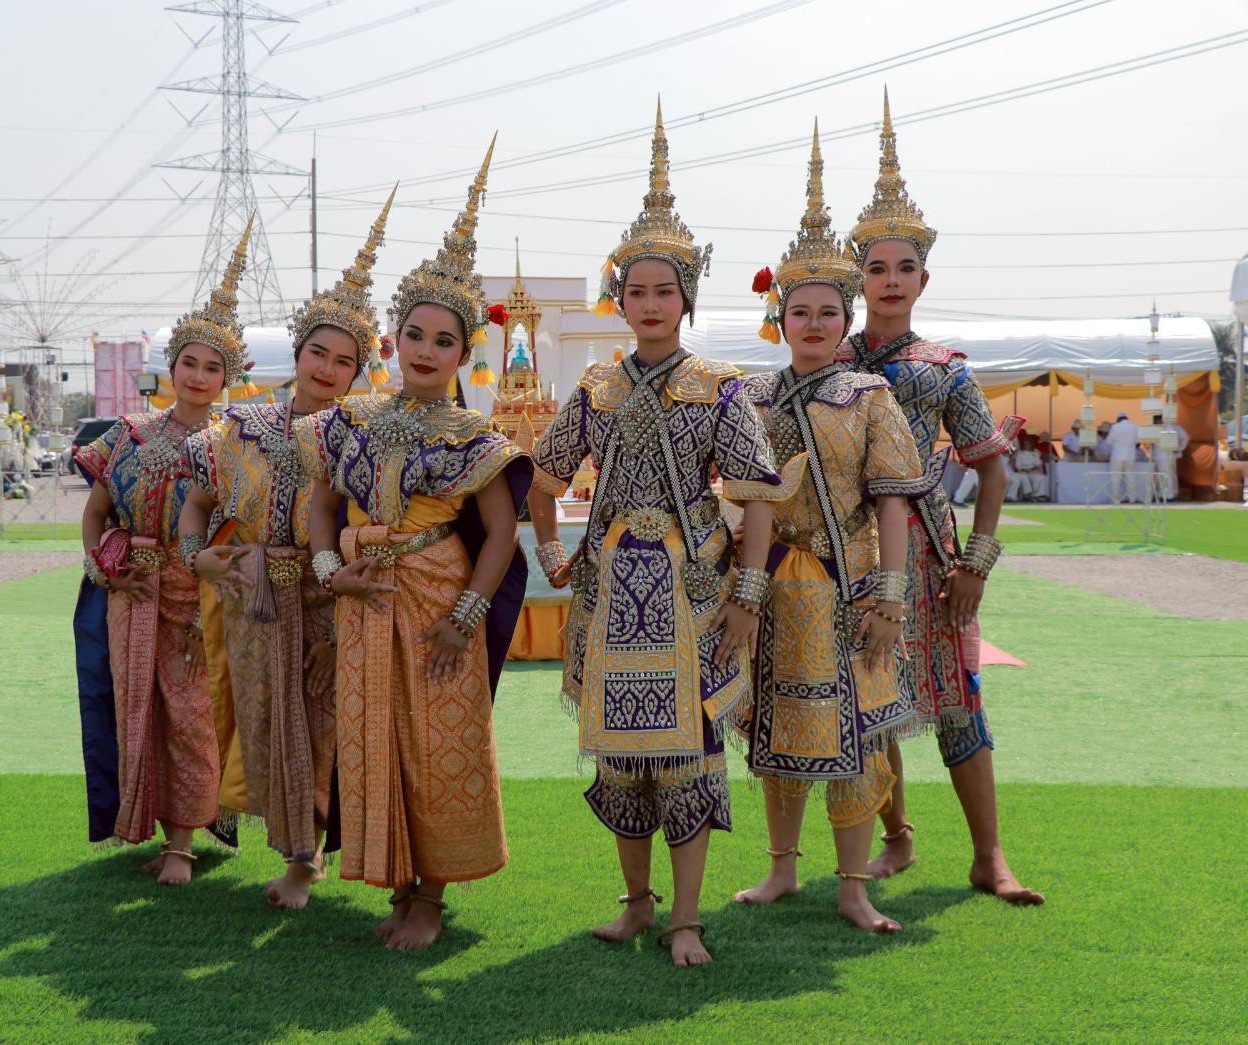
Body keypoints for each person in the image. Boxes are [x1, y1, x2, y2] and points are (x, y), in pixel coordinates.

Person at [528, 104, 790, 968]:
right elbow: (542, 477)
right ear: (619, 298)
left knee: (689, 752)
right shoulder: (595, 388)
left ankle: (685, 916)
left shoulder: (719, 385)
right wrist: (552, 555)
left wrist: (747, 595)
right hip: (610, 592)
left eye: (663, 291)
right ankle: (636, 903)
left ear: (685, 299)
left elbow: (756, 497)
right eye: (634, 291)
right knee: (619, 756)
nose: (647, 304)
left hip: (692, 591)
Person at [307, 139, 531, 951]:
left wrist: (465, 617)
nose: (426, 350)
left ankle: (431, 893)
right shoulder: (353, 418)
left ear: (464, 353)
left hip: (438, 592)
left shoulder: (474, 433)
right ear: (392, 341)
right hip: (365, 596)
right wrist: (330, 573)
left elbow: (501, 533)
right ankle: (396, 883)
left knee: (439, 741)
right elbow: (320, 502)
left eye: (443, 340)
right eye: (414, 334)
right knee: (377, 737)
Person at [838, 89, 1042, 905]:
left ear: (924, 277)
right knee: (868, 695)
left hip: (929, 552)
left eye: (903, 269)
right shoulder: (829, 361)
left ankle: (988, 855)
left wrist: (976, 564)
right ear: (857, 276)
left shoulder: (945, 369)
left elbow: (990, 468)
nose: (889, 281)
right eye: (875, 268)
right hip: (849, 549)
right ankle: (895, 836)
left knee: (958, 702)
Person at [731, 126, 925, 934]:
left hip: (848, 583)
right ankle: (781, 868)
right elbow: (737, 497)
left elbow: (893, 501)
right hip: (773, 587)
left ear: (845, 319)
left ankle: (852, 885)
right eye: (798, 312)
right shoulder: (750, 397)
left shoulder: (868, 397)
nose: (811, 324)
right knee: (775, 727)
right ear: (777, 318)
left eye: (826, 313)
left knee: (856, 735)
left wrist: (891, 596)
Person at [177, 189, 394, 909]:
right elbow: (199, 501)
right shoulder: (241, 425)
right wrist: (195, 555)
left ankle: (307, 862)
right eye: (317, 353)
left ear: (358, 371)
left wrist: (344, 597)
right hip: (252, 599)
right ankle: (291, 850)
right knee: (264, 726)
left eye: (343, 360)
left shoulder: (364, 437)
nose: (327, 369)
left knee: (320, 729)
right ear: (297, 352)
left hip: (328, 598)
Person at [73, 223, 254, 884]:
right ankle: (150, 825)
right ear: (170, 367)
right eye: (190, 364)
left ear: (228, 377)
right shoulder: (126, 433)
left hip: (197, 594)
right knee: (137, 713)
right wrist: (99, 565)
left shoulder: (236, 444)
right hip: (130, 593)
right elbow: (95, 511)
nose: (200, 377)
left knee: (192, 717)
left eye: (214, 368)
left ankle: (182, 844)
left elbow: (243, 524)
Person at [1106, 411, 1141, 502]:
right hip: (1130, 456)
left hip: (1117, 456)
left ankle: (1116, 499)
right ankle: (1132, 499)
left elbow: (1108, 441)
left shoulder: (1115, 427)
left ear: (1118, 419)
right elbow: (1137, 441)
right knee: (1131, 478)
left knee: (1115, 478)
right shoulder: (1135, 427)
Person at [1005, 430, 1049, 502]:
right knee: (1023, 478)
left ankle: (1039, 495)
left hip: (1033, 471)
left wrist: (1032, 468)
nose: (1027, 445)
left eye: (1028, 444)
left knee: (1041, 478)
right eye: (1025, 444)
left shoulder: (1035, 453)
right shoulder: (1020, 453)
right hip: (1023, 471)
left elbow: (1038, 463)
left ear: (1031, 445)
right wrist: (1025, 470)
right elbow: (1017, 465)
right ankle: (1028, 495)